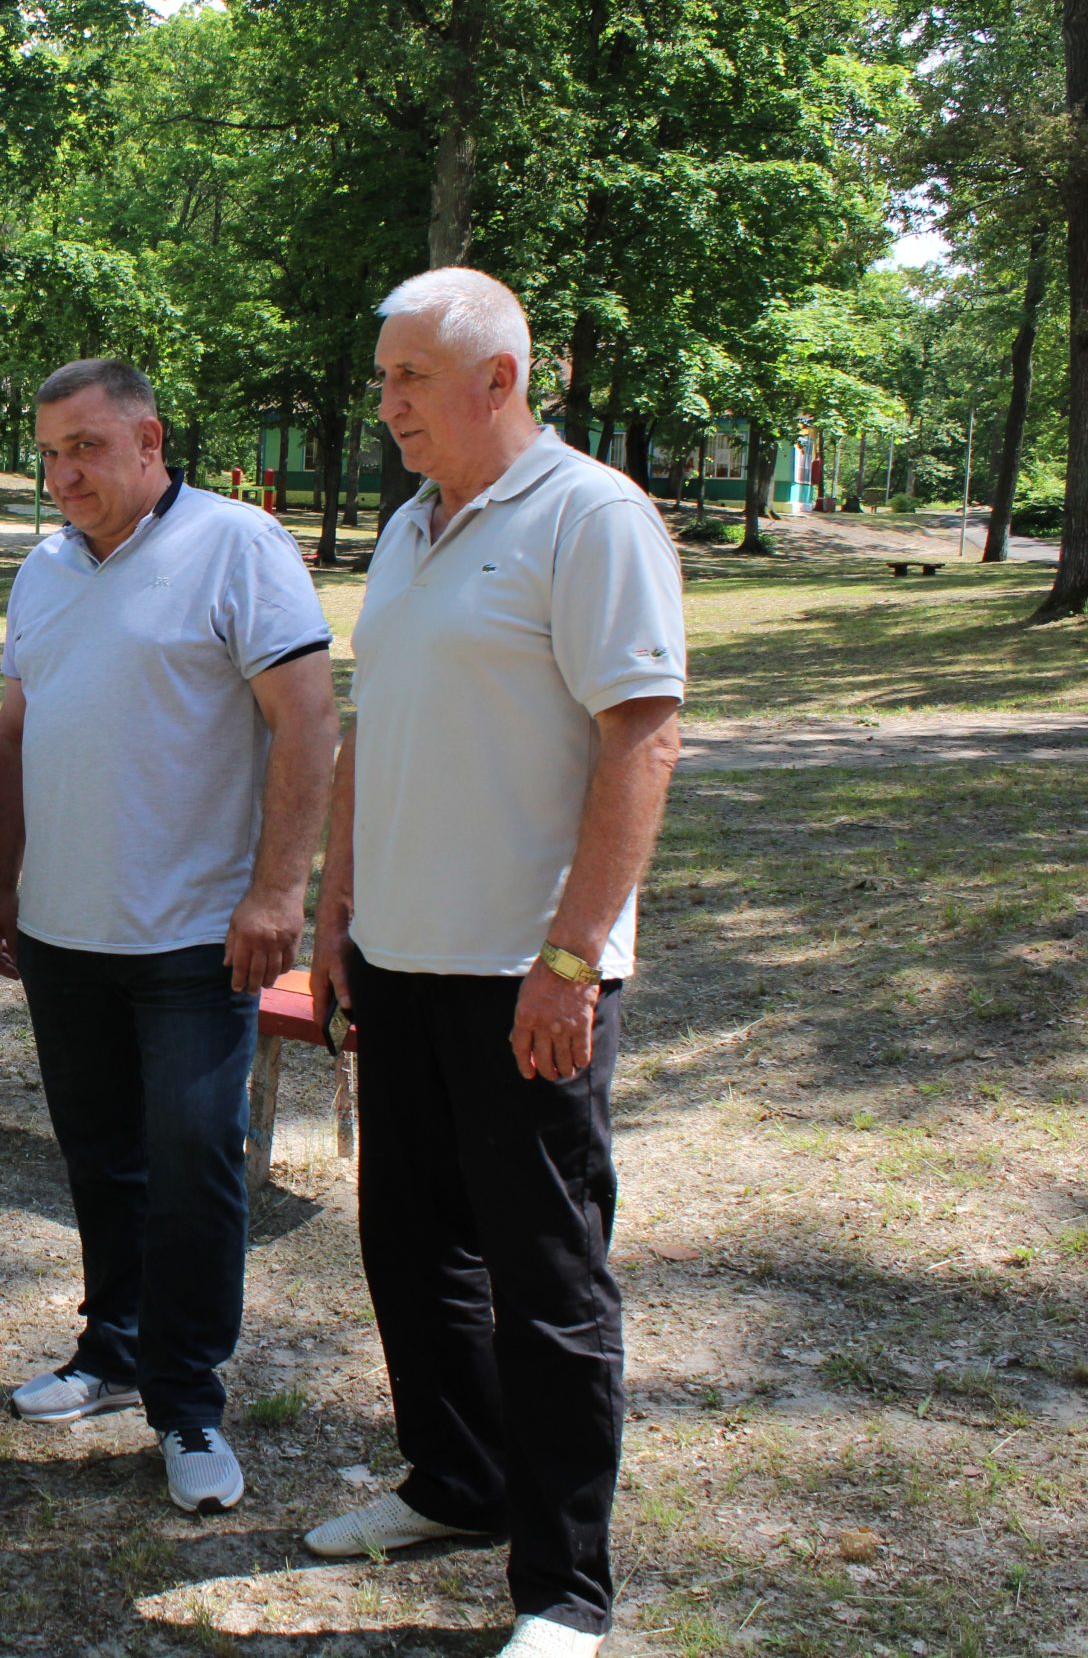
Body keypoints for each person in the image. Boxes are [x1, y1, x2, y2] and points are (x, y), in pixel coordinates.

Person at [303, 268, 684, 1658]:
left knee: (549, 1274)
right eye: (386, 374)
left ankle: (564, 1584)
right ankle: (455, 1481)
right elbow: (370, 732)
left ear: (498, 379)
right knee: (410, 1247)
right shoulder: (409, 527)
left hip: (528, 972)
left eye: (409, 377)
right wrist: (335, 917)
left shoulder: (591, 517)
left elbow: (642, 733)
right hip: (397, 960)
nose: (386, 401)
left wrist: (573, 954)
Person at [0, 358, 338, 1513]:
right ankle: (113, 1348)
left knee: (191, 1159)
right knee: (100, 1156)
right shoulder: (40, 571)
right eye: (48, 453)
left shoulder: (236, 546)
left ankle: (188, 1404)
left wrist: (277, 892)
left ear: (148, 439)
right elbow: (16, 736)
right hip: (64, 931)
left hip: (195, 936)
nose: (63, 473)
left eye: (84, 447)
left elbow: (306, 722)